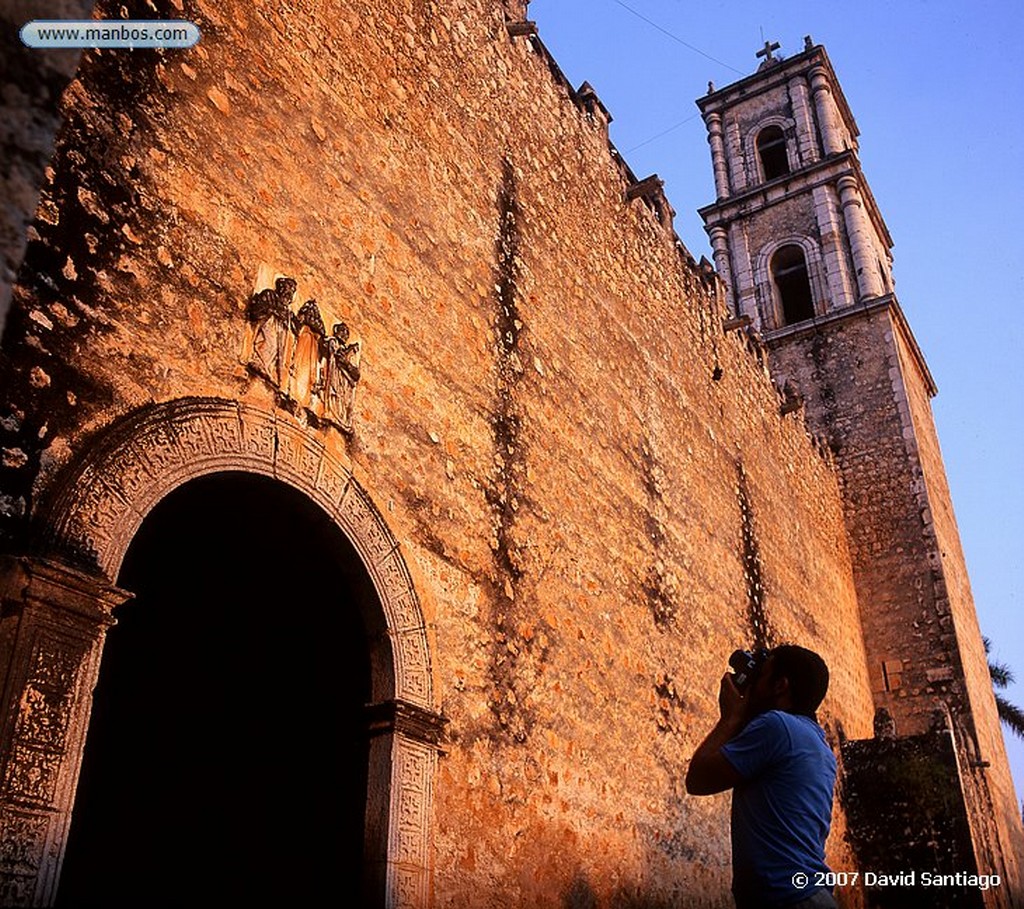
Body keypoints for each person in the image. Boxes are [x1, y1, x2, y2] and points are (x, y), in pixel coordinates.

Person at [685, 645, 838, 909]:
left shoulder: (777, 727)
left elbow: (698, 779)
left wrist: (731, 717)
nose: (752, 684)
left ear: (780, 685)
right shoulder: (818, 744)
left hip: (788, 899)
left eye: (761, 675)